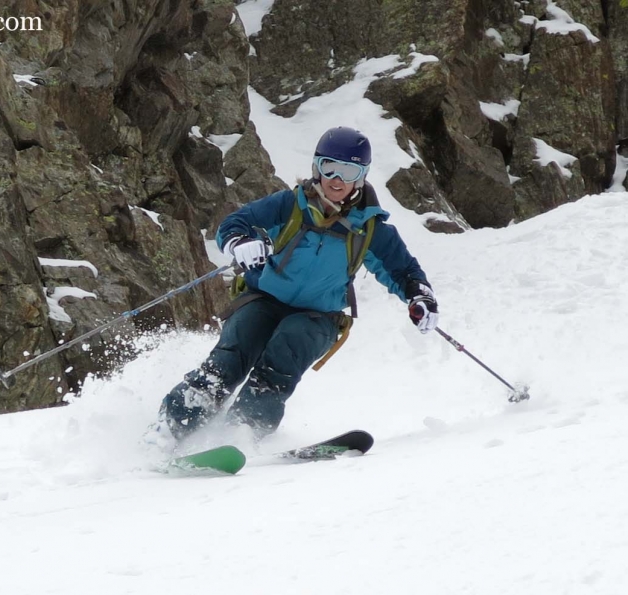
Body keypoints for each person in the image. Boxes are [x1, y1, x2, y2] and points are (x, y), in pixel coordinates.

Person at [157, 126, 439, 442]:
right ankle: (170, 429)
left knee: (284, 353)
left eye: (349, 171)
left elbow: (404, 272)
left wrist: (420, 298)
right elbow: (235, 224)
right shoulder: (290, 205)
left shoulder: (372, 230)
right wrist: (241, 242)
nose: (337, 180)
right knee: (228, 358)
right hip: (264, 299)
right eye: (329, 167)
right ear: (316, 167)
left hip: (318, 317)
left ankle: (242, 433)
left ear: (362, 177)